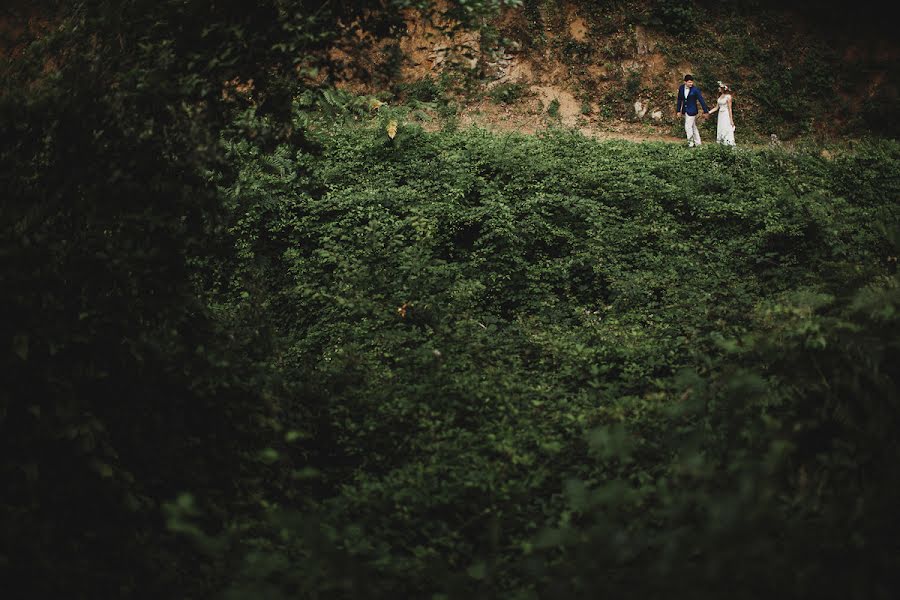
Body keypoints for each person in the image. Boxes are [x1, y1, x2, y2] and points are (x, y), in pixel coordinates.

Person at [675, 74, 710, 147]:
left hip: (692, 110)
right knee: (693, 127)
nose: (691, 84)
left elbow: (701, 100)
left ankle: (690, 144)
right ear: (685, 82)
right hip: (685, 110)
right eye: (689, 82)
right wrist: (678, 110)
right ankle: (698, 143)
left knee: (688, 126)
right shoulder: (681, 88)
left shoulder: (695, 90)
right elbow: (679, 100)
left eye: (691, 82)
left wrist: (705, 111)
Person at [707, 81, 736, 146]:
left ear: (723, 88)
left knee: (726, 128)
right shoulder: (720, 96)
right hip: (721, 115)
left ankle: (728, 143)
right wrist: (709, 112)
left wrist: (731, 120)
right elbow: (717, 107)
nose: (718, 89)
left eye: (720, 87)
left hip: (726, 115)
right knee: (721, 128)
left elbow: (729, 109)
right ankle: (721, 142)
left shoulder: (728, 97)